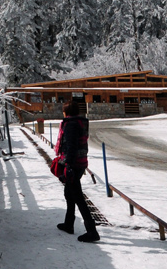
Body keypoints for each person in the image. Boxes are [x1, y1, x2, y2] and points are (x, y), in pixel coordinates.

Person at [52, 98, 99, 244]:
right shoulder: (79, 122)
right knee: (69, 193)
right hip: (80, 162)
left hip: (74, 164)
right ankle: (69, 224)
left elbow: (71, 146)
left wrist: (68, 165)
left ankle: (92, 231)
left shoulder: (71, 125)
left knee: (78, 197)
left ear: (66, 112)